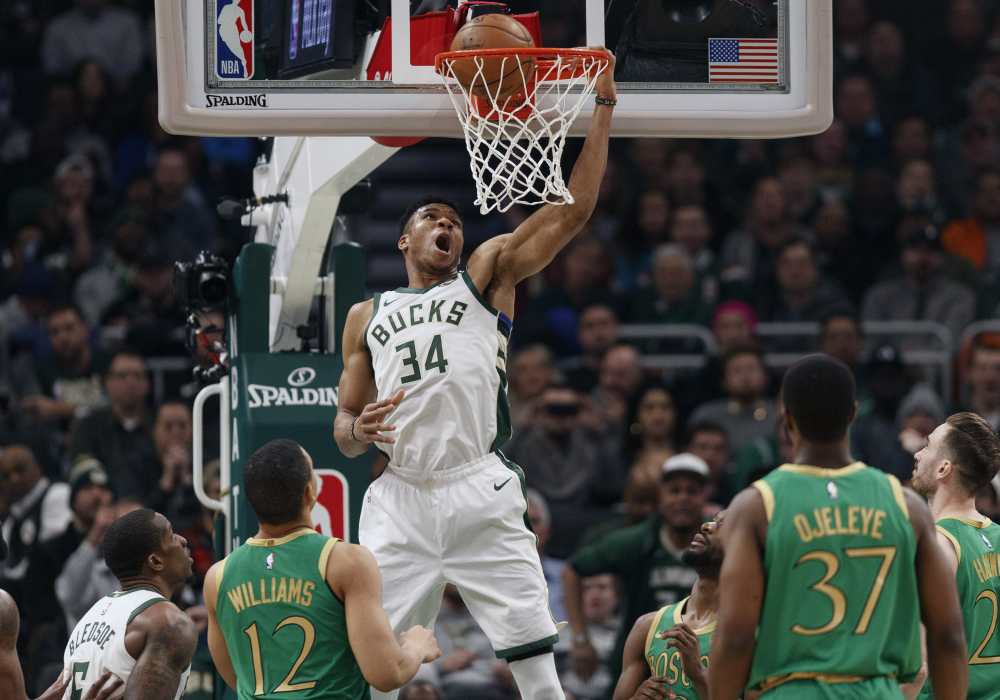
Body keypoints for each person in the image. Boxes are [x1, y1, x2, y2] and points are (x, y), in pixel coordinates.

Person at [334, 49, 616, 700]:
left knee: (539, 678)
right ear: (404, 241)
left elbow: (572, 211)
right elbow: (343, 431)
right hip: (399, 497)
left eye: (455, 221)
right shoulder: (365, 315)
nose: (446, 225)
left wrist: (601, 109)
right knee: (372, 676)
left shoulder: (485, 277)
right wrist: (357, 430)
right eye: (431, 218)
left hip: (476, 486)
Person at [710, 354, 968, 699]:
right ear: (853, 413)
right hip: (879, 690)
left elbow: (736, 637)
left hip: (791, 691)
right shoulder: (906, 505)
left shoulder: (755, 506)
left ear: (786, 419)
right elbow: (948, 635)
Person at [203, 439, 441, 698]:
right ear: (309, 493)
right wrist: (416, 646)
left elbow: (236, 675)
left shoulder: (218, 577)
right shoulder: (346, 562)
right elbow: (386, 673)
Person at [563, 454, 705, 684]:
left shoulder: (718, 541)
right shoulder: (637, 541)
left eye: (692, 491)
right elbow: (572, 571)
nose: (683, 499)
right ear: (660, 496)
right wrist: (580, 639)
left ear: (705, 496)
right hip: (639, 664)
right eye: (674, 491)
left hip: (702, 662)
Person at [61, 508, 198, 699]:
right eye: (171, 535)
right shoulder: (168, 621)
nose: (182, 540)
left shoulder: (89, 617)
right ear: (155, 561)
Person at [911, 412, 1000, 699]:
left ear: (943, 469)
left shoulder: (937, 545)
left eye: (927, 445)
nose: (917, 454)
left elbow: (919, 667)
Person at [613, 512, 725, 700]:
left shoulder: (746, 632)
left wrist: (697, 673)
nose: (706, 526)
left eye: (722, 525)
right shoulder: (647, 626)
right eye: (712, 521)